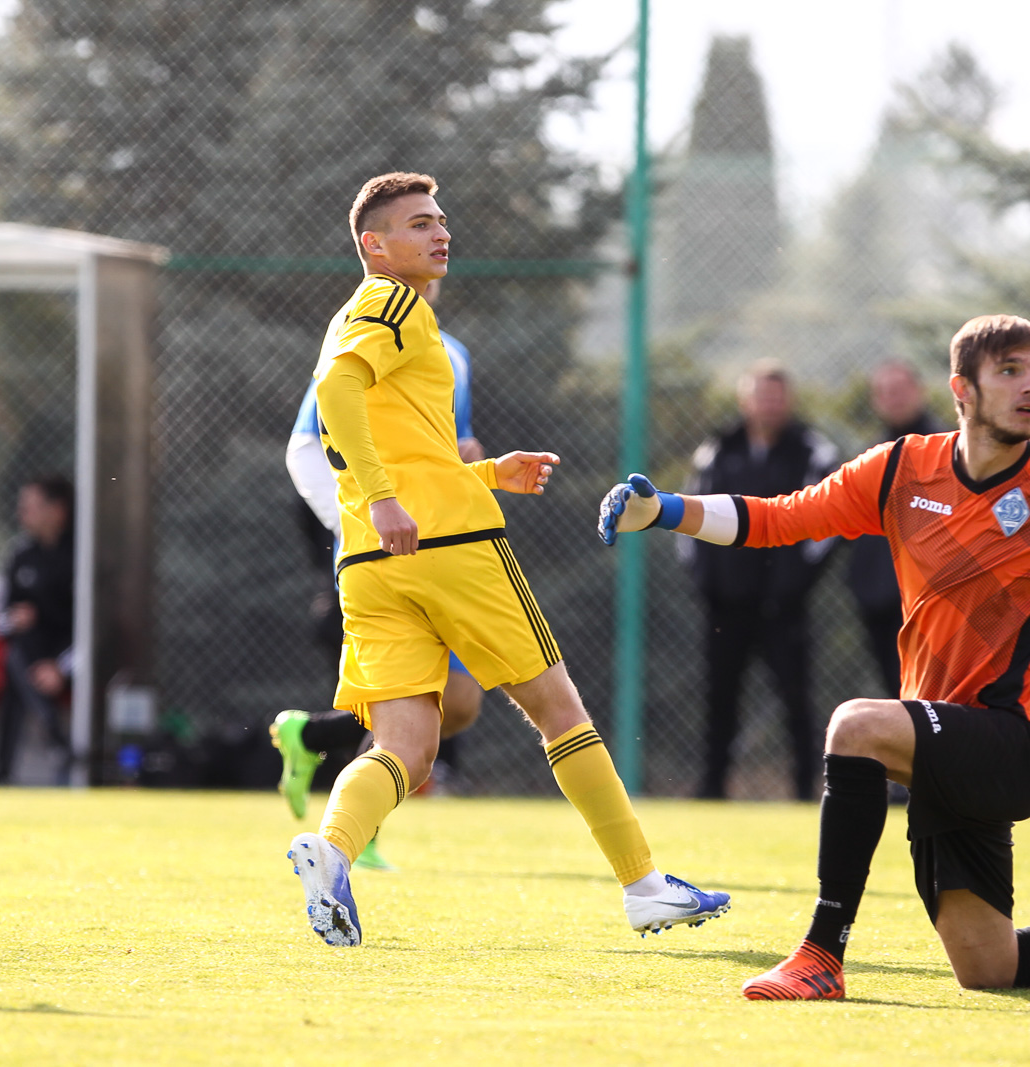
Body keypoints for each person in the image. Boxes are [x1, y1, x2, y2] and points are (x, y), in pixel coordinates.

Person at [599, 313, 1030, 1000]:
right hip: (943, 745)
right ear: (962, 388)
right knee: (989, 967)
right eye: (1010, 370)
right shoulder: (901, 468)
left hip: (1014, 741)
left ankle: (821, 955)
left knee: (856, 725)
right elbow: (780, 517)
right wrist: (664, 510)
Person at [286, 171, 730, 947]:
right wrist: (386, 497)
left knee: (406, 748)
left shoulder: (368, 314)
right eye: (419, 223)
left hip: (371, 563)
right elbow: (335, 390)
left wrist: (489, 472)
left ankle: (332, 850)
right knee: (560, 712)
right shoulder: (394, 302)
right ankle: (645, 886)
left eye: (440, 219)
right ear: (374, 245)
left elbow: (401, 441)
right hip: (450, 549)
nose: (440, 232)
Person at [275, 279, 485, 870]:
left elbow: (450, 444)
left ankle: (310, 736)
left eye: (438, 235)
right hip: (369, 518)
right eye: (418, 233)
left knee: (459, 704)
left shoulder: (453, 352)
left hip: (432, 523)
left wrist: (471, 460)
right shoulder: (366, 330)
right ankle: (356, 832)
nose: (436, 244)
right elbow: (313, 438)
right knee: (398, 688)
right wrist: (366, 516)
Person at [683, 360, 839, 800]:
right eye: (761, 395)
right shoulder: (718, 449)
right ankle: (711, 788)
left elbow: (827, 528)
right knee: (719, 697)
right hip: (726, 605)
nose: (769, 404)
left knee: (796, 698)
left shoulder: (812, 451)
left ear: (789, 401)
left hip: (784, 608)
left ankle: (805, 790)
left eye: (777, 396)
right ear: (744, 400)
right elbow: (692, 517)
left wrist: (791, 586)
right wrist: (708, 584)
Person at [847, 359, 945, 699]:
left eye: (901, 389)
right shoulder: (870, 456)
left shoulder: (950, 451)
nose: (895, 398)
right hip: (879, 601)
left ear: (920, 391)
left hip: (934, 604)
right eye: (886, 392)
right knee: (896, 694)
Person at [0, 474, 75, 786]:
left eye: (30, 507)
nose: (21, 514)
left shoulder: (82, 556)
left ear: (57, 511)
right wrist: (15, 619)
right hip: (32, 659)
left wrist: (61, 668)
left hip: (73, 660)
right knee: (17, 656)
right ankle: (57, 744)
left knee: (16, 669)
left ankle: (2, 773)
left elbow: (94, 631)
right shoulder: (21, 555)